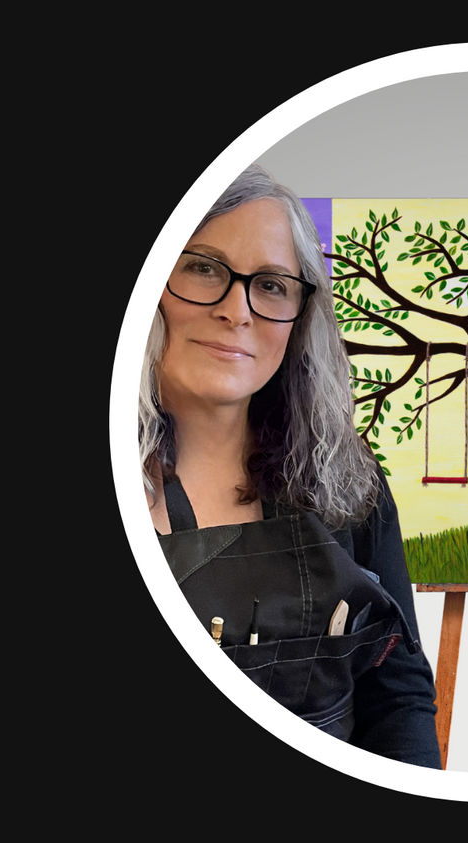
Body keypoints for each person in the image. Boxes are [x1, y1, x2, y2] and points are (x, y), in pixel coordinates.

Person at [138, 164, 440, 768]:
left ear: (301, 316)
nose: (237, 310)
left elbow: (397, 699)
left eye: (272, 284)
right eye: (203, 267)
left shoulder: (349, 484)